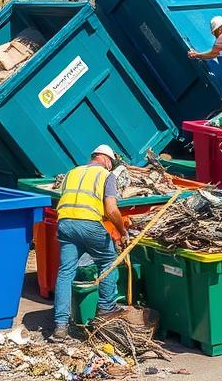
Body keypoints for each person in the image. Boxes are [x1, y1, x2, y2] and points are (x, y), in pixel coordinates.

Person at [51, 145, 130, 341]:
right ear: (105, 159)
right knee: (109, 262)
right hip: (88, 224)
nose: (110, 166)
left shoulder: (72, 172)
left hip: (65, 223)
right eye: (111, 163)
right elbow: (111, 209)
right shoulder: (105, 175)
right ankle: (105, 310)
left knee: (65, 272)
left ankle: (61, 326)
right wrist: (122, 232)